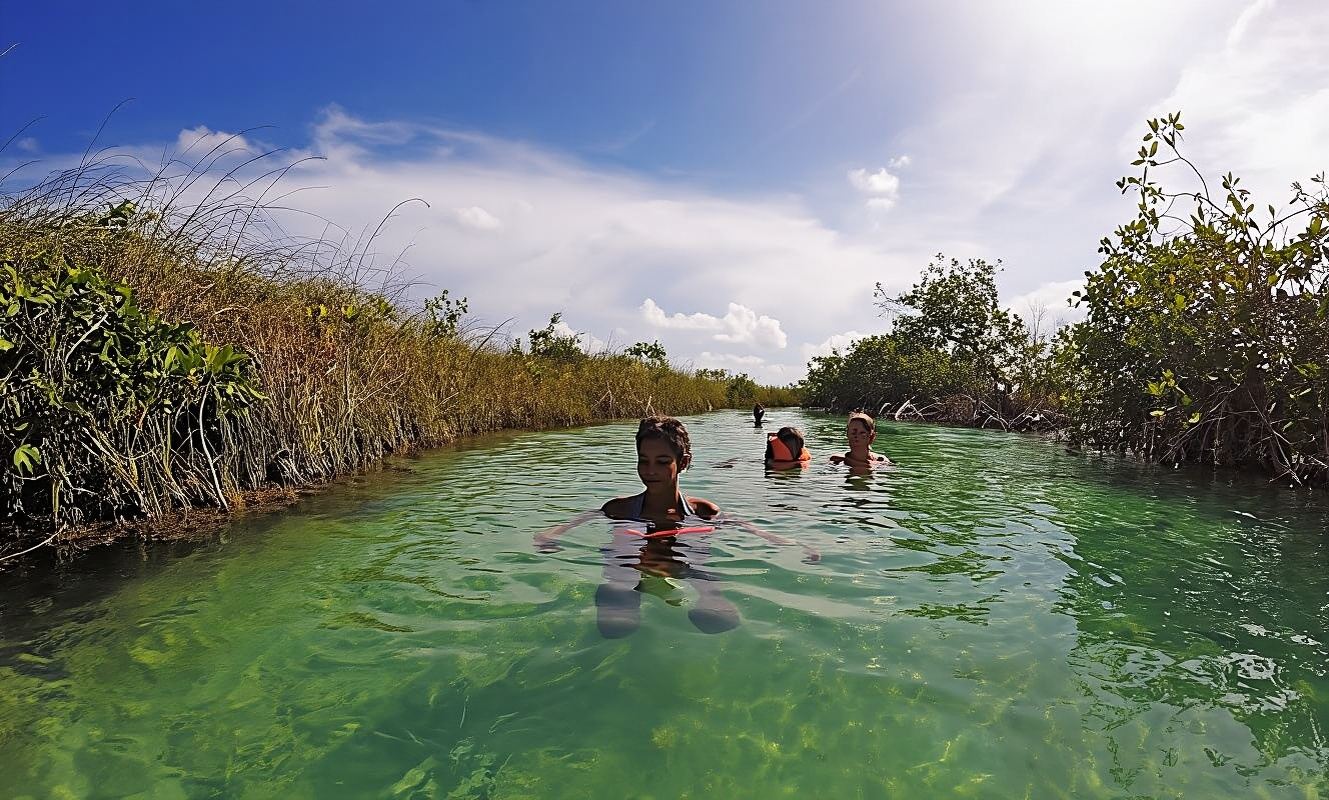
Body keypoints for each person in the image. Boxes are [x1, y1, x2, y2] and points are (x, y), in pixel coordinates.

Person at [534, 415, 818, 637]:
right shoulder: (619, 508)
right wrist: (550, 535)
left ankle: (706, 595)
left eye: (661, 461)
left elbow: (747, 527)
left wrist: (796, 544)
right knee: (616, 627)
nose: (650, 470)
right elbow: (583, 518)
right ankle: (620, 594)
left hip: (686, 566)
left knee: (719, 620)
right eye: (643, 461)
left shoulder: (702, 510)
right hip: (629, 567)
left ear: (683, 463)